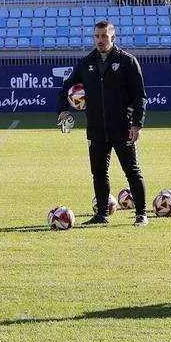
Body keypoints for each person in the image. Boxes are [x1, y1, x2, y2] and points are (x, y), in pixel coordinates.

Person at [56, 20, 148, 226]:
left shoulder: (127, 62)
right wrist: (63, 110)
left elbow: (140, 97)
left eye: (104, 36)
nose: (100, 40)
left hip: (122, 128)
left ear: (113, 38)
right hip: (96, 128)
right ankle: (102, 215)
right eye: (97, 36)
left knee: (132, 171)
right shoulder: (86, 63)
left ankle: (141, 214)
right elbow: (66, 87)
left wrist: (137, 125)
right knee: (98, 172)